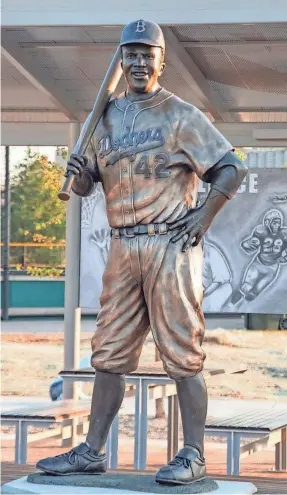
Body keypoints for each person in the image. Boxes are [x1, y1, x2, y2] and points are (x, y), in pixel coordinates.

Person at [37, 19, 247, 485]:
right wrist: (79, 171)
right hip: (122, 245)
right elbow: (89, 180)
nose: (137, 62)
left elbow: (231, 168)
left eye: (146, 54)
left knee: (183, 354)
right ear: (120, 61)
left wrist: (202, 217)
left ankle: (192, 454)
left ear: (160, 61)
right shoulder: (104, 116)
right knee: (108, 354)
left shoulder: (180, 114)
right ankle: (92, 450)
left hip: (168, 245)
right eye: (130, 54)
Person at [227, 208, 287, 307]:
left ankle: (241, 309)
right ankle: (231, 305)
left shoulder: (284, 233)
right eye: (274, 222)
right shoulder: (261, 231)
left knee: (255, 292)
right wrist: (247, 244)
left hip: (272, 268)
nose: (277, 225)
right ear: (267, 222)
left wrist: (285, 258)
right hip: (257, 264)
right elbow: (248, 246)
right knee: (246, 286)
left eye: (278, 223)